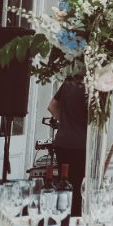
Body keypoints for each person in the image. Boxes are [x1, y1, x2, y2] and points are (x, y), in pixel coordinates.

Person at [48, 78, 87, 217]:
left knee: (64, 185)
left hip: (63, 142)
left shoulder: (68, 83)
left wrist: (64, 122)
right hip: (81, 144)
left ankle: (62, 218)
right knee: (78, 189)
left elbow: (51, 106)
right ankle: (75, 220)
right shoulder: (92, 85)